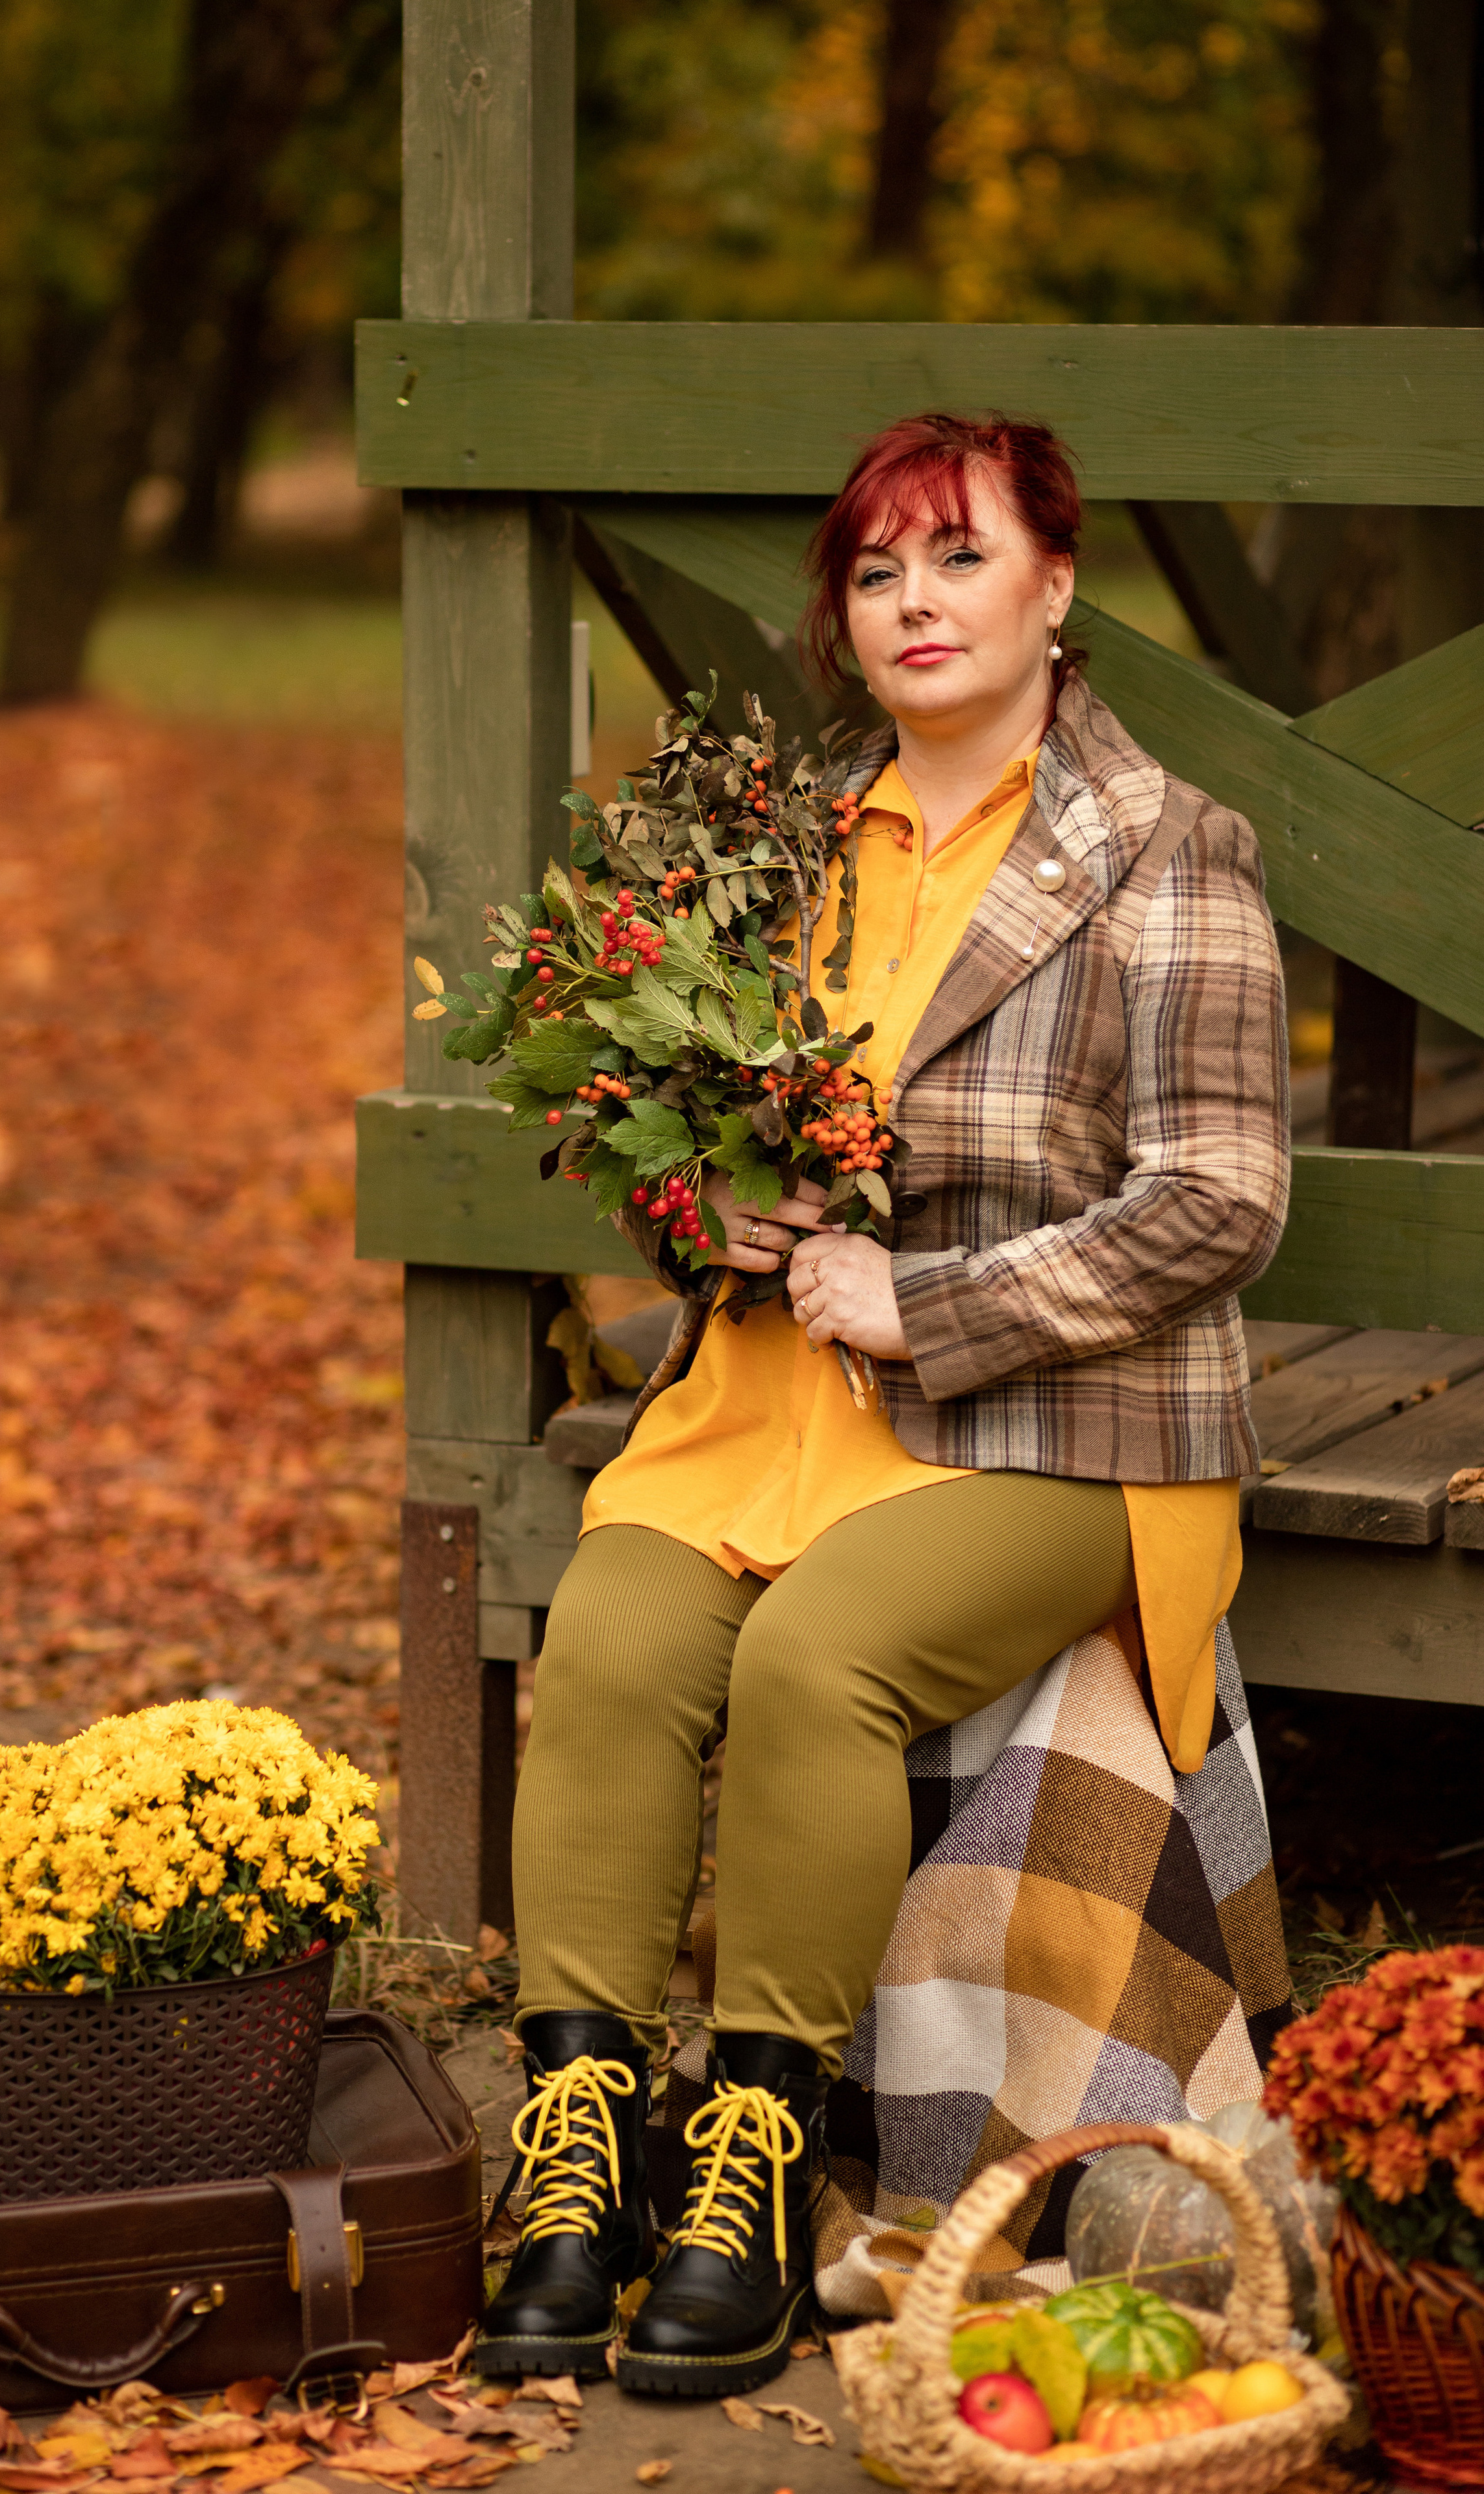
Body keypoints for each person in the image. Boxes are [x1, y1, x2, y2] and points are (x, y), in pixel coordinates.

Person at [475, 412, 1289, 2398]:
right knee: (609, 1641)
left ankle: (757, 2164)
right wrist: (710, 1208)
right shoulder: (787, 843)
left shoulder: (1162, 850)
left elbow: (1221, 1197)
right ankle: (584, 2158)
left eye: (960, 556)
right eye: (875, 570)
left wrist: (929, 1308)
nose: (915, 601)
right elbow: (681, 1126)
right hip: (764, 1401)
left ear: (1057, 587)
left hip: (1060, 1425)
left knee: (814, 1658)